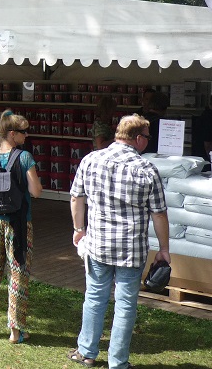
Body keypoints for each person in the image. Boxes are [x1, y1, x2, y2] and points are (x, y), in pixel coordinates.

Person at [68, 114, 170, 369]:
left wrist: (79, 229)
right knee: (125, 305)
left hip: (98, 245)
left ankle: (86, 352)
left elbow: (76, 197)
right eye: (148, 137)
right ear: (138, 138)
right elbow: (158, 214)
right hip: (131, 249)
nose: (148, 141)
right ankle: (118, 362)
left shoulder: (90, 160)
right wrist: (164, 249)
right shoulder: (147, 170)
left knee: (94, 297)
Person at [0, 110, 42, 343]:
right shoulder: (25, 158)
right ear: (12, 134)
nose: (26, 135)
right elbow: (35, 191)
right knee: (18, 274)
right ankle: (16, 330)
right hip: (19, 225)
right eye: (23, 132)